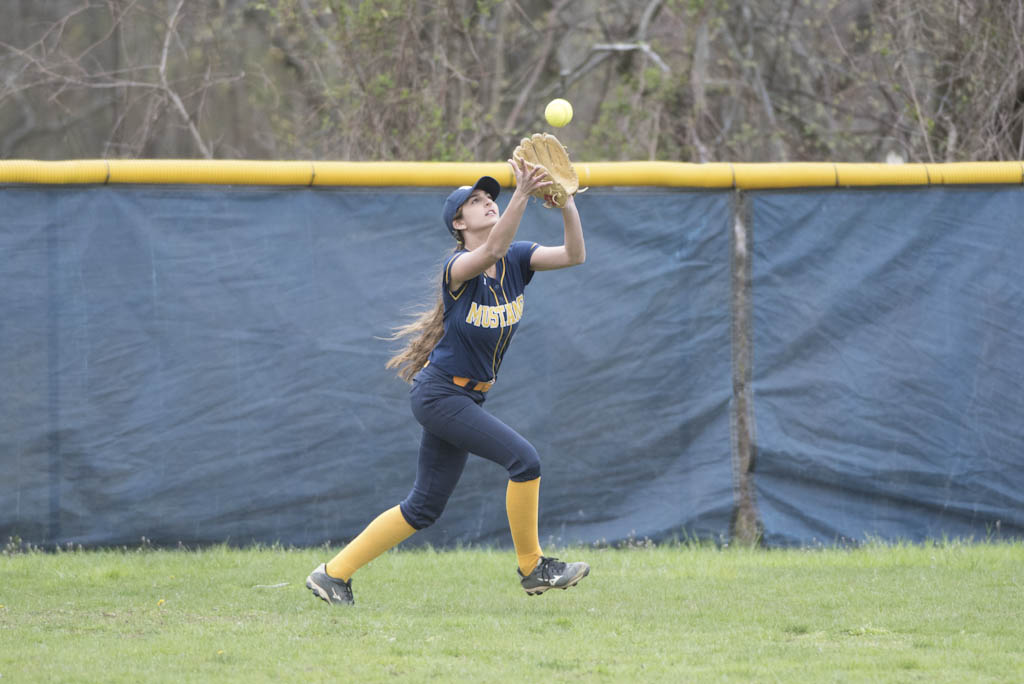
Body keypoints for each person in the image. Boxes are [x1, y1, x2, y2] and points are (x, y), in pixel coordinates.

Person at [305, 156, 589, 606]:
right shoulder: (458, 268)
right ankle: (533, 567)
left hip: (465, 399)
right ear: (459, 223)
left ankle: (332, 574)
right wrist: (521, 194)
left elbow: (574, 255)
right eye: (476, 202)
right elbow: (491, 251)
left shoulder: (517, 258)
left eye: (490, 198)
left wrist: (567, 204)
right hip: (441, 395)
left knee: (423, 507)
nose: (487, 204)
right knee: (525, 461)